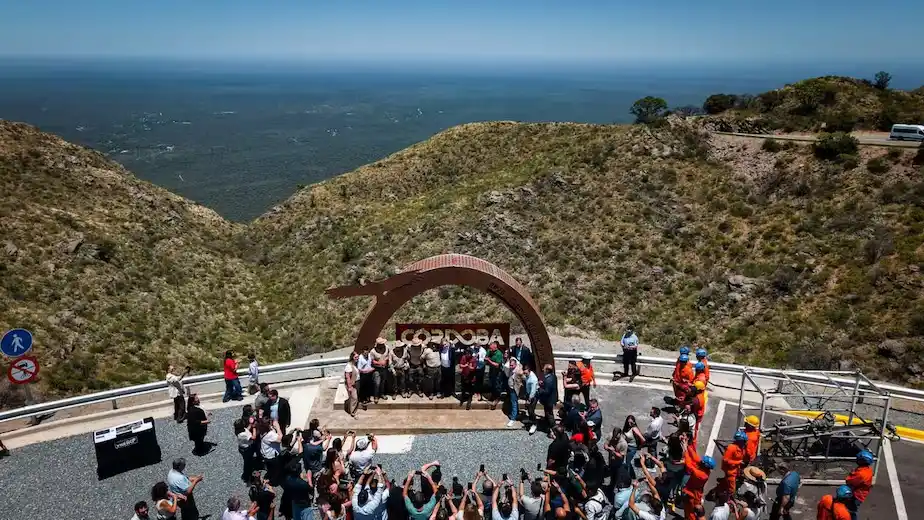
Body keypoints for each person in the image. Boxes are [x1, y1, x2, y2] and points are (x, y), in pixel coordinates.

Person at [681, 436, 714, 520]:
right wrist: (687, 446)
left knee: (690, 512)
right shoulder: (705, 471)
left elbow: (689, 464)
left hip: (692, 494)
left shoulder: (699, 474)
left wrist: (685, 450)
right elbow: (695, 457)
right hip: (695, 492)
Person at [845, 450, 874, 520]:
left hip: (857, 495)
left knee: (851, 511)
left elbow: (849, 480)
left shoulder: (861, 474)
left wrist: (851, 474)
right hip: (861, 493)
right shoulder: (868, 470)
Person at [717, 431, 747, 496]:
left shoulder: (741, 447)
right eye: (744, 441)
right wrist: (738, 462)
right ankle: (729, 496)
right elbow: (725, 460)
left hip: (735, 468)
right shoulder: (731, 448)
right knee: (732, 488)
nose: (745, 442)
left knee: (729, 480)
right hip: (730, 470)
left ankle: (724, 482)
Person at [235, 405, 258, 482]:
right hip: (246, 449)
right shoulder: (243, 435)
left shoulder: (239, 430)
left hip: (242, 448)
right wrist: (254, 427)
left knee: (248, 461)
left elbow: (246, 429)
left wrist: (250, 425)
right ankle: (246, 476)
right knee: (247, 463)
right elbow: (253, 437)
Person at [259, 418, 284, 483]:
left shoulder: (262, 430)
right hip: (272, 456)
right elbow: (280, 439)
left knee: (270, 468)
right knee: (276, 469)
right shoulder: (270, 435)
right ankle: (273, 480)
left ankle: (269, 475)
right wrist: (278, 427)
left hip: (266, 454)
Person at [537, 364, 559, 437]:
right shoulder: (552, 376)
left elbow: (546, 391)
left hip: (548, 400)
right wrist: (543, 383)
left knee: (550, 414)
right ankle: (547, 422)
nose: (543, 370)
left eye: (544, 369)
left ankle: (554, 429)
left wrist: (539, 389)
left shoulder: (549, 379)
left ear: (547, 370)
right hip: (551, 399)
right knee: (547, 412)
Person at [505, 357, 525, 428]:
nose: (511, 367)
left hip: (515, 389)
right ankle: (515, 414)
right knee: (513, 402)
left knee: (514, 403)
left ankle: (513, 418)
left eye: (512, 365)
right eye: (510, 365)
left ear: (516, 364)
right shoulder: (510, 369)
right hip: (511, 387)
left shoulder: (519, 371)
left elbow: (524, 378)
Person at [371, 337, 391, 403]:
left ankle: (382, 394)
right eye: (381, 344)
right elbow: (372, 361)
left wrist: (386, 360)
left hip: (384, 369)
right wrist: (379, 363)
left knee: (383, 382)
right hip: (377, 370)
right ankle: (376, 396)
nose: (382, 345)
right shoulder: (373, 351)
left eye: (383, 343)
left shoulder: (387, 348)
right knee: (377, 383)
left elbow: (389, 355)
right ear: (378, 344)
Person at [485, 342, 504, 409]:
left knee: (497, 385)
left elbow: (497, 365)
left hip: (497, 372)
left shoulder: (499, 354)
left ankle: (497, 398)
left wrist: (489, 361)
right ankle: (493, 395)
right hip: (491, 370)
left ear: (495, 348)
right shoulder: (490, 351)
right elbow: (486, 357)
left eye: (491, 348)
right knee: (492, 384)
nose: (489, 349)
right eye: (489, 348)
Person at [523, 364, 540, 434]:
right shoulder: (528, 375)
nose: (525, 374)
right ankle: (530, 420)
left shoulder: (533, 379)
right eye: (524, 373)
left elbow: (533, 391)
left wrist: (529, 400)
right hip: (528, 393)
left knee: (531, 410)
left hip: (533, 396)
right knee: (528, 409)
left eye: (526, 373)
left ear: (529, 371)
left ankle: (534, 424)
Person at [344, 352, 360, 416]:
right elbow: (347, 377)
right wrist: (349, 386)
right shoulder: (349, 366)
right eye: (355, 357)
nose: (357, 358)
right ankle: (352, 412)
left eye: (357, 357)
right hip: (352, 384)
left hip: (356, 383)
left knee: (353, 397)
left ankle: (351, 409)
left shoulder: (355, 364)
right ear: (352, 357)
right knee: (354, 398)